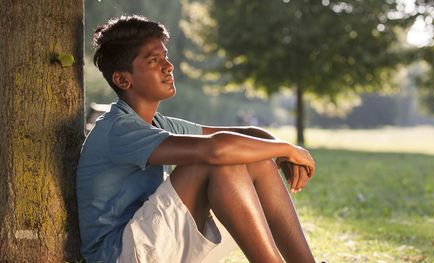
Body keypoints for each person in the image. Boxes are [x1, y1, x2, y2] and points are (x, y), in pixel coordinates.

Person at [76, 15, 316, 263]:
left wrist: (281, 150)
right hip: (120, 255)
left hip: (150, 244)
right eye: (154, 60)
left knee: (255, 159)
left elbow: (243, 136)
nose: (168, 66)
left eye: (166, 57)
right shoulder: (119, 129)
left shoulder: (156, 124)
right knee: (217, 160)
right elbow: (216, 149)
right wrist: (286, 149)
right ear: (123, 79)